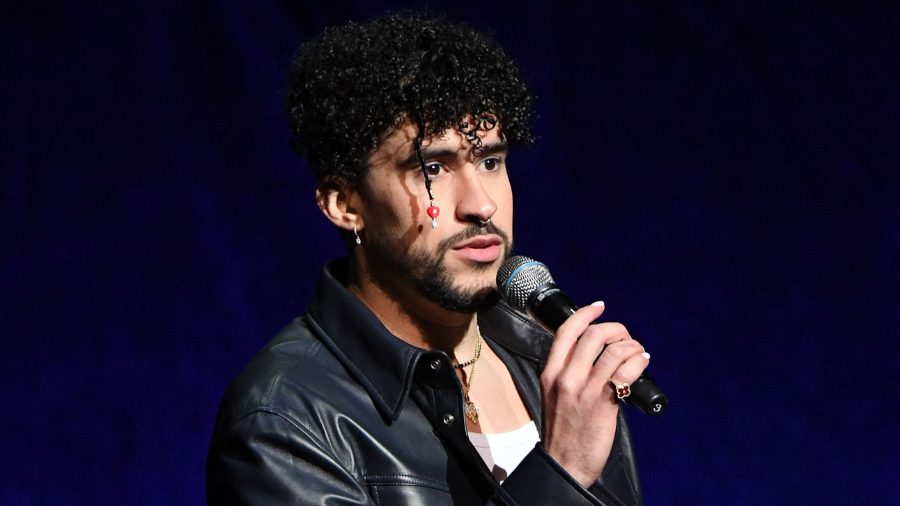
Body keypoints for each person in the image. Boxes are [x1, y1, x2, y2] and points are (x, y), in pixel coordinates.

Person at [206, 13, 649, 506]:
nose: (481, 204)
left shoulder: (556, 365)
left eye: (490, 161)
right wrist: (560, 472)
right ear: (345, 204)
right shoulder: (284, 420)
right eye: (432, 168)